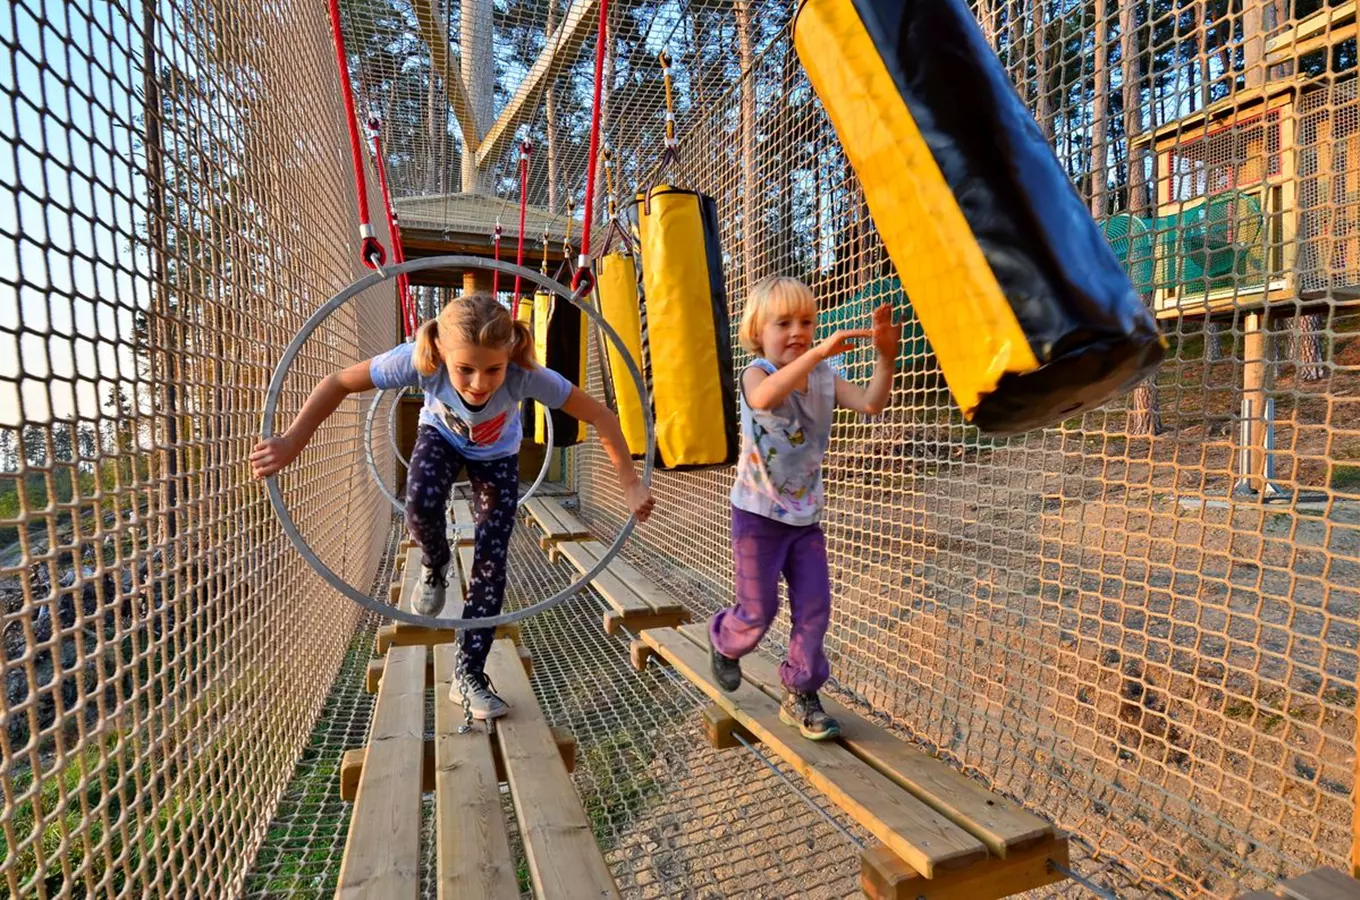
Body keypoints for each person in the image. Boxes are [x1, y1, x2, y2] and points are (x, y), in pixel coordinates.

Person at [251, 292, 654, 719]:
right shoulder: (417, 360)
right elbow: (338, 383)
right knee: (420, 505)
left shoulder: (523, 373)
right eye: (465, 369)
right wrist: (292, 441)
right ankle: (435, 561)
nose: (480, 384)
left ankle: (469, 675)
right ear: (441, 352)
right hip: (440, 439)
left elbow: (600, 415)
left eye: (492, 369)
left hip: (498, 456)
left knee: (491, 559)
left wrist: (629, 483)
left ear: (511, 354)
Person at [709, 275, 898, 741]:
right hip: (757, 516)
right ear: (758, 332)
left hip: (805, 519)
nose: (798, 331)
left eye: (807, 322)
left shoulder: (824, 377)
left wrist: (886, 357)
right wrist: (818, 353)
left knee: (815, 607)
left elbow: (872, 404)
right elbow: (762, 400)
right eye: (784, 323)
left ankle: (801, 693)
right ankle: (725, 641)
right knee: (758, 611)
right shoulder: (759, 372)